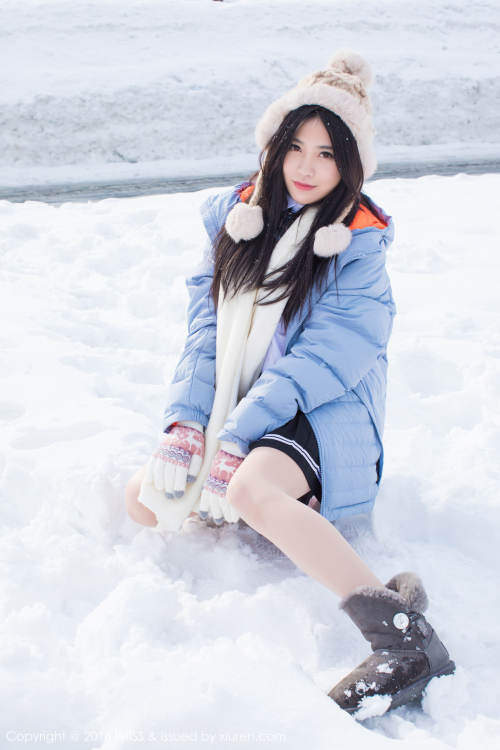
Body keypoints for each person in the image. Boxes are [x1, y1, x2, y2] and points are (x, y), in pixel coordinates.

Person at [125, 50, 455, 716]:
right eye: (295, 147)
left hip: (327, 411)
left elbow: (323, 364)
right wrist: (187, 425)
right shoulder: (235, 223)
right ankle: (266, 496)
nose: (306, 167)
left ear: (349, 165)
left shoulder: (359, 247)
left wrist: (237, 438)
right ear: (274, 147)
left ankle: (405, 640)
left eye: (327, 154)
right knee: (146, 501)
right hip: (249, 405)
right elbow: (204, 337)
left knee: (251, 488)